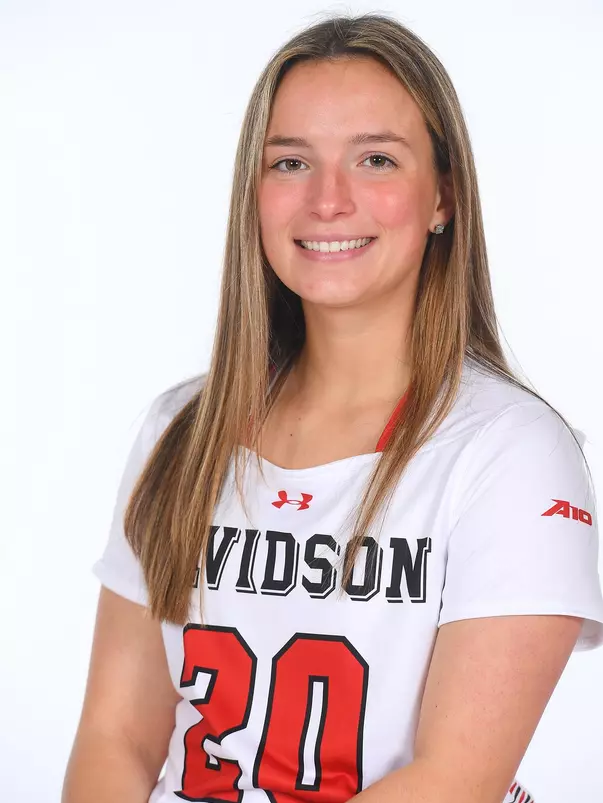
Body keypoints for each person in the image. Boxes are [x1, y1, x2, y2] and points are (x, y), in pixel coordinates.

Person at [62, 12, 603, 803]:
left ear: (442, 196)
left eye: (375, 159)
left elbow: (454, 779)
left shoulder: (512, 453)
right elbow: (116, 736)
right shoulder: (181, 431)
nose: (327, 200)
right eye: (290, 163)